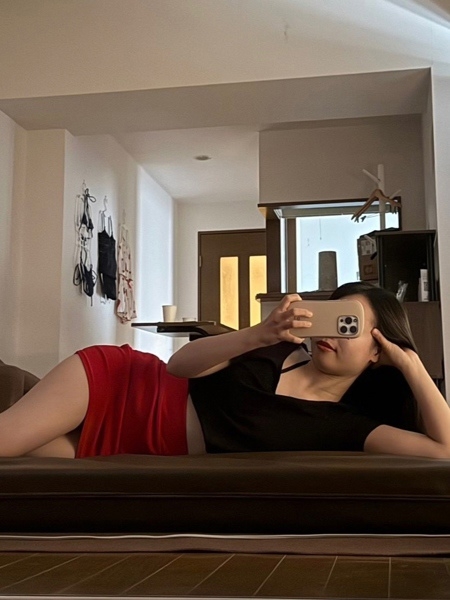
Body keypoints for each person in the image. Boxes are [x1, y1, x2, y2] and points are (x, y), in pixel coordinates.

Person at [0, 282, 449, 459]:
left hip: (133, 447)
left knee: (17, 458)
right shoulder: (278, 346)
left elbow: (444, 450)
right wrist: (259, 333)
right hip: (120, 385)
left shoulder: (349, 426)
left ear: (378, 350)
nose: (332, 333)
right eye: (334, 317)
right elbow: (178, 366)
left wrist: (412, 365)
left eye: (349, 326)